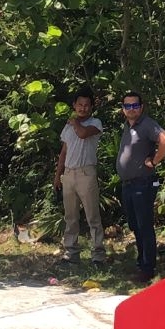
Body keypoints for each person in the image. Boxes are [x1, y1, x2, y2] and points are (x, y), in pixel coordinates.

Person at [117, 91, 165, 283]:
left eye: (134, 105)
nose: (131, 109)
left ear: (141, 107)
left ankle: (147, 268)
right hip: (128, 184)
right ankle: (142, 262)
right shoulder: (128, 126)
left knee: (144, 226)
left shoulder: (147, 124)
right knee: (135, 225)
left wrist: (155, 161)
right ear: (123, 109)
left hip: (143, 183)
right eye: (127, 106)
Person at [54, 88, 105, 265]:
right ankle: (71, 252)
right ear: (74, 105)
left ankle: (98, 254)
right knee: (71, 216)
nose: (83, 108)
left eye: (86, 105)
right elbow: (64, 152)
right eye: (79, 105)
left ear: (91, 107)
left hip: (86, 173)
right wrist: (58, 176)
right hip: (69, 174)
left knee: (93, 216)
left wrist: (75, 122)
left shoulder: (95, 123)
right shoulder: (68, 127)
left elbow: (83, 134)